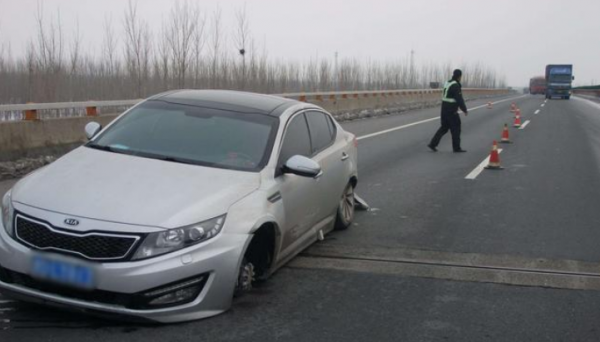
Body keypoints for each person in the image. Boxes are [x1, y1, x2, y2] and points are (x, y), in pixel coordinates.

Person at [428, 69, 468, 153]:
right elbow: (459, 99)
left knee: (444, 128)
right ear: (459, 76)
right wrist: (464, 109)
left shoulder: (447, 82)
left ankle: (432, 144)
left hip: (444, 108)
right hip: (451, 110)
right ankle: (456, 148)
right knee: (456, 128)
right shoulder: (456, 85)